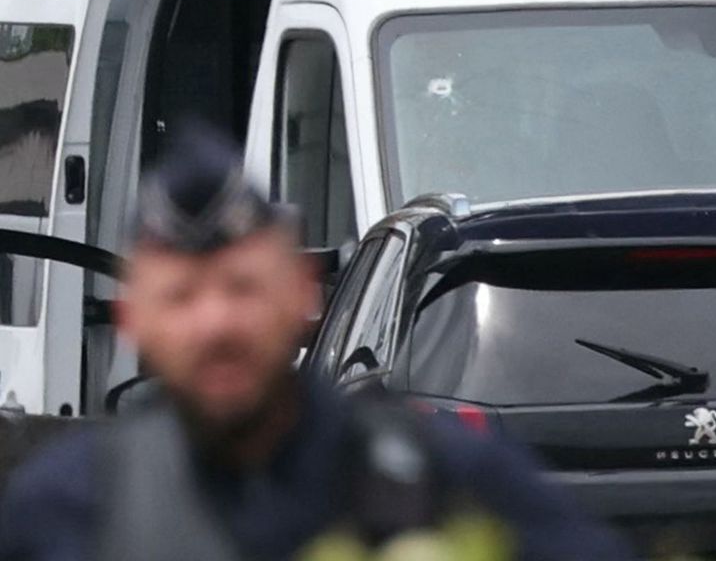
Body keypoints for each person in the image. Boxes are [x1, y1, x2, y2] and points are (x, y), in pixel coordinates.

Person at [0, 125, 631, 561]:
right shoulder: (70, 505)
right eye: (182, 297)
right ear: (135, 317)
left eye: (243, 287)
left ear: (300, 294)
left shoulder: (449, 478)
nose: (217, 324)